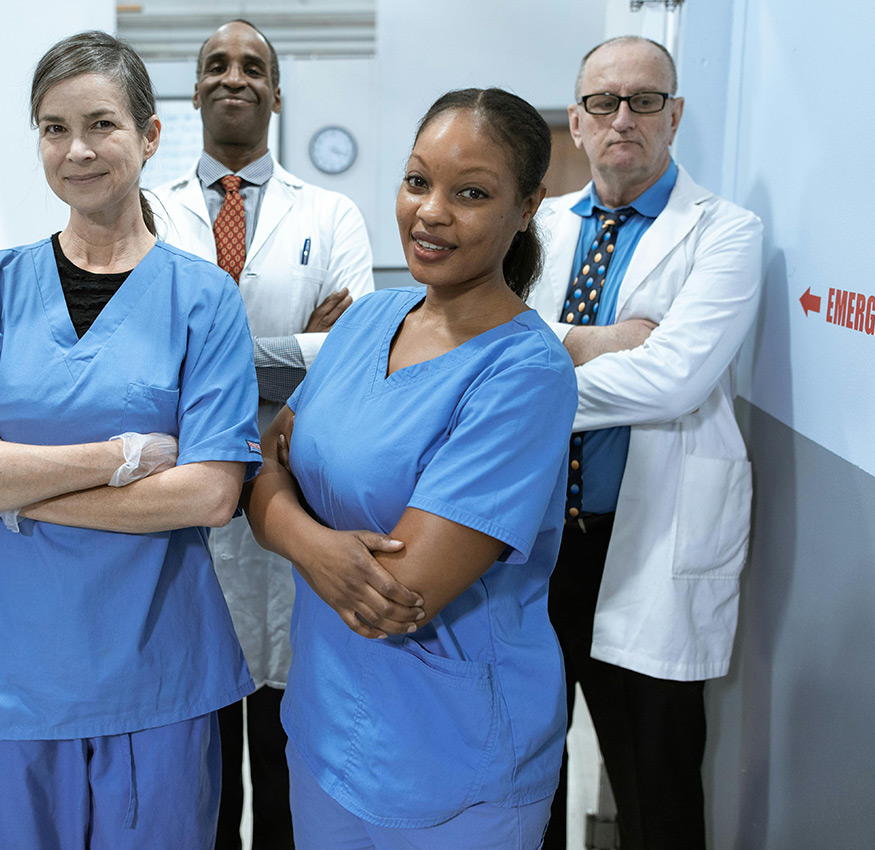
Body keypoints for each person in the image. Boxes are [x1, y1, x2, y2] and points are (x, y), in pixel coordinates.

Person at [0, 31, 262, 850]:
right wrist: (119, 459)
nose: (77, 149)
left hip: (153, 667)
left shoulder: (203, 301)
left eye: (101, 124)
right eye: (54, 128)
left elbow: (209, 493)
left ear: (150, 135)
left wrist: (6, 488)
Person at [246, 88, 578, 849]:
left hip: (455, 759)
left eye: (471, 193)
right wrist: (316, 545)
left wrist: (282, 515)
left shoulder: (524, 372)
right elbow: (264, 457)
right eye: (417, 181)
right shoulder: (367, 319)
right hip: (327, 725)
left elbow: (395, 595)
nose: (430, 212)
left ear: (527, 207)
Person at [527, 37, 763, 850]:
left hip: (645, 543)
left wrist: (535, 368)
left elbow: (674, 380)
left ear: (676, 115)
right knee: (525, 774)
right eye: (604, 102)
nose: (623, 118)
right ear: (578, 120)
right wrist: (605, 341)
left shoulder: (726, 233)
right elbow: (486, 345)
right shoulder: (542, 227)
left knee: (656, 785)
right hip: (534, 545)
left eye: (645, 100)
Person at [152, 20, 375, 847]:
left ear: (276, 95)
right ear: (197, 89)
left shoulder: (333, 212)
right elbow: (135, 355)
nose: (234, 77)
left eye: (253, 67)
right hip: (185, 500)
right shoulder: (149, 209)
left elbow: (346, 356)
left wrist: (201, 355)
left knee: (288, 742)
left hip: (293, 492)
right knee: (200, 752)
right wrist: (291, 353)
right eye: (216, 64)